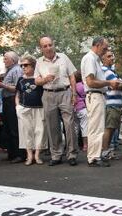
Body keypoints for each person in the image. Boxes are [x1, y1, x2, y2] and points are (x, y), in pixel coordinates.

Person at [35, 36, 78, 166]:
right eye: (45, 46)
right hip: (48, 94)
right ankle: (56, 155)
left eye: (50, 45)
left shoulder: (63, 57)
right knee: (52, 126)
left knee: (69, 124)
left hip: (65, 92)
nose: (48, 48)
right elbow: (36, 81)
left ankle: (72, 154)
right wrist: (45, 79)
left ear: (53, 45)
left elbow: (72, 76)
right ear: (41, 48)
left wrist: (74, 94)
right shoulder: (39, 62)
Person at [81, 36, 120, 167]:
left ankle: (95, 155)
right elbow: (90, 81)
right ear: (97, 45)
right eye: (104, 47)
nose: (106, 50)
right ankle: (93, 157)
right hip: (95, 95)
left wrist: (107, 84)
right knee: (95, 128)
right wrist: (109, 82)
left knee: (97, 127)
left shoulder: (94, 59)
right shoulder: (90, 59)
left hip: (98, 95)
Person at [15, 55, 47, 166]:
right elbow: (18, 94)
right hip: (24, 108)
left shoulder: (39, 78)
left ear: (33, 66)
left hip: (39, 107)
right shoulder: (20, 80)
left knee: (40, 131)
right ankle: (29, 155)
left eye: (26, 65)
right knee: (26, 131)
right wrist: (17, 107)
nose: (23, 67)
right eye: (21, 65)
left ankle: (37, 155)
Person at [0, 51, 25, 163]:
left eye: (6, 58)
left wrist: (2, 85)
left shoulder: (17, 70)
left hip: (12, 100)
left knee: (14, 128)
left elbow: (18, 88)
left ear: (13, 60)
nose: (4, 60)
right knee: (8, 128)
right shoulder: (9, 71)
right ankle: (11, 153)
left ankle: (19, 154)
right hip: (7, 100)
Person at [101, 50, 122, 160]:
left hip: (116, 104)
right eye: (109, 56)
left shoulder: (111, 71)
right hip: (111, 104)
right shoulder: (105, 71)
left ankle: (107, 150)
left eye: (112, 56)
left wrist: (120, 83)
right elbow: (117, 85)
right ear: (103, 59)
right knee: (109, 128)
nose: (112, 58)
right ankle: (104, 151)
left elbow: (118, 84)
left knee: (112, 128)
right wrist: (121, 83)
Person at [74, 71, 88, 152]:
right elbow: (85, 95)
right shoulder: (82, 86)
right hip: (82, 108)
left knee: (75, 128)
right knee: (84, 127)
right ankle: (85, 145)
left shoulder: (70, 86)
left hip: (74, 109)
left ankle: (75, 146)